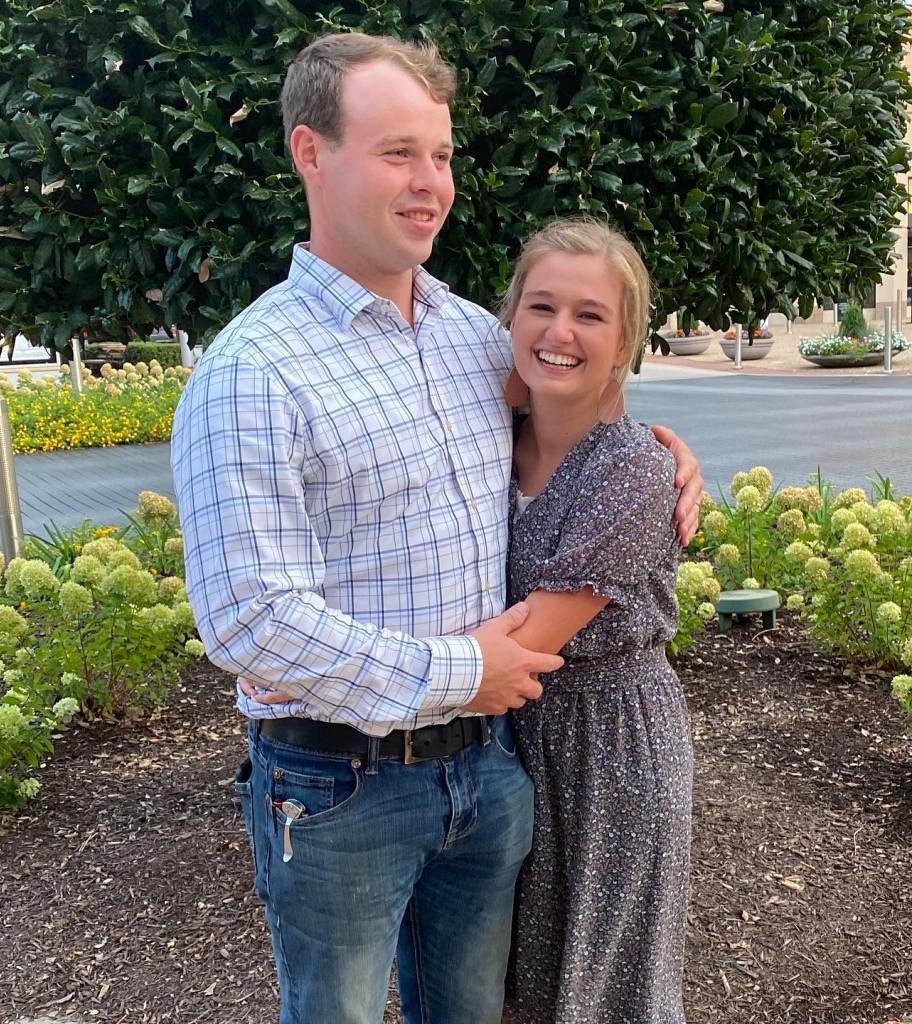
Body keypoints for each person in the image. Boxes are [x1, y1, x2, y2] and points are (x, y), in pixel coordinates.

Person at [171, 33, 702, 1024]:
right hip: (339, 787)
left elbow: (581, 402)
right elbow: (249, 619)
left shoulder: (470, 339)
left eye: (442, 154)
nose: (430, 183)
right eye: (397, 153)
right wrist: (461, 671)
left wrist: (663, 453)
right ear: (310, 153)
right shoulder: (252, 372)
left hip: (491, 769)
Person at [499, 219, 691, 1023]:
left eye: (590, 315)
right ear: (510, 317)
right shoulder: (484, 443)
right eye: (541, 306)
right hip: (510, 734)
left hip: (610, 742)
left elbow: (533, 639)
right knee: (518, 977)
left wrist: (346, 670)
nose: (560, 333)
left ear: (623, 345)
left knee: (606, 982)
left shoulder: (635, 469)